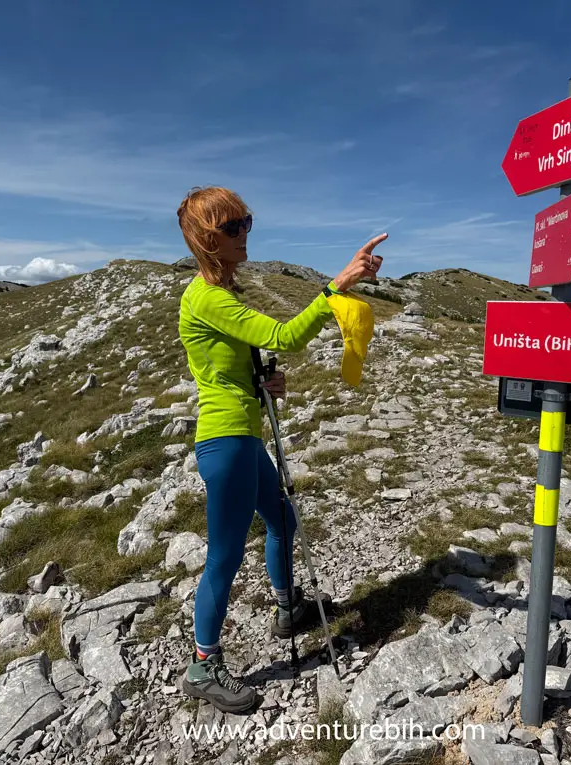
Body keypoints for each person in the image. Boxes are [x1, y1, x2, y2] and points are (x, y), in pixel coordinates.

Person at [175, 185, 387, 713]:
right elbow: (286, 335)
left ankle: (289, 608)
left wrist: (261, 381)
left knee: (283, 521)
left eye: (247, 222)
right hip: (225, 442)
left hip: (244, 435)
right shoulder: (206, 297)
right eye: (233, 227)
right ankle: (202, 666)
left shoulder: (222, 296)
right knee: (223, 556)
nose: (245, 233)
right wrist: (334, 287)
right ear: (208, 238)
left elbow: (235, 363)